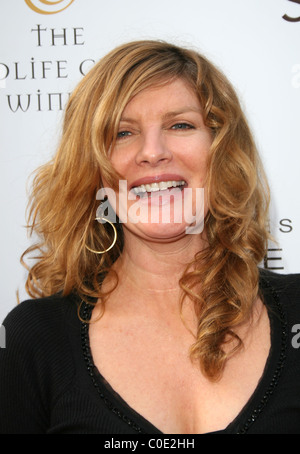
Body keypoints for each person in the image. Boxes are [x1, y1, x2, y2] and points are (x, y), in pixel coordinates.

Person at [0, 40, 299, 435]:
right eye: (122, 133)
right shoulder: (36, 339)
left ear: (222, 150)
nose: (152, 152)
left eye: (180, 125)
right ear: (94, 171)